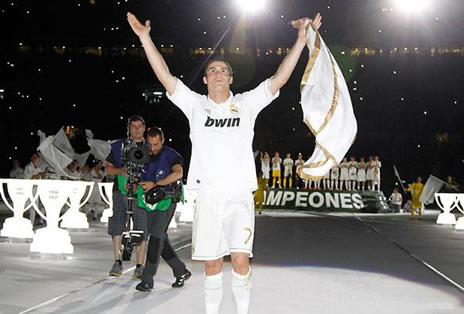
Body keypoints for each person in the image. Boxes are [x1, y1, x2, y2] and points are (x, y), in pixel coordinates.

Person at [127, 11, 322, 314]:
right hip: (207, 197)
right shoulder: (195, 105)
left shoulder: (246, 104)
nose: (218, 73)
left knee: (241, 259)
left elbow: (280, 77)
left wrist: (300, 40)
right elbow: (165, 76)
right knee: (212, 263)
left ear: (231, 78)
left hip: (238, 196)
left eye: (223, 70)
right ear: (205, 80)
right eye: (213, 70)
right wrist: (144, 38)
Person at [134, 127, 191, 292]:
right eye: (150, 144)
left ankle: (147, 279)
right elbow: (139, 175)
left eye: (156, 144)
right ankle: (181, 271)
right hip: (150, 201)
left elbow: (178, 174)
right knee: (160, 239)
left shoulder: (171, 155)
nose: (152, 148)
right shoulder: (143, 153)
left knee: (156, 239)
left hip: (167, 199)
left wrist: (157, 184)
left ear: (163, 141)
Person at [105, 115, 149, 278]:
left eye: (140, 126)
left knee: (142, 226)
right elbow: (108, 169)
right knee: (117, 224)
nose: (137, 130)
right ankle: (117, 262)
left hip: (141, 192)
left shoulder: (149, 147)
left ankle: (140, 265)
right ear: (129, 128)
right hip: (120, 190)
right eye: (133, 126)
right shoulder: (118, 146)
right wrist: (120, 171)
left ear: (144, 128)